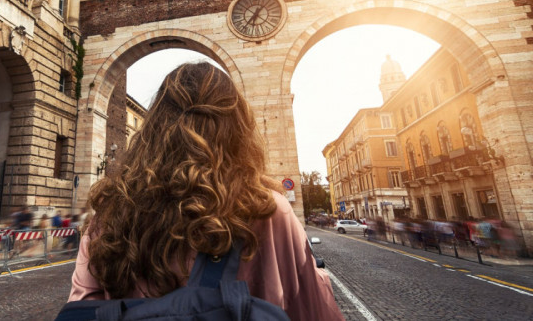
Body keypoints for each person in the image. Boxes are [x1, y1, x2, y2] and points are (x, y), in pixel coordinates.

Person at [69, 63, 343, 320]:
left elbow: (83, 307)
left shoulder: (111, 213)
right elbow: (314, 310)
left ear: (153, 128)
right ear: (238, 129)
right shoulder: (265, 209)